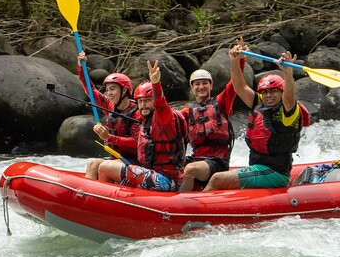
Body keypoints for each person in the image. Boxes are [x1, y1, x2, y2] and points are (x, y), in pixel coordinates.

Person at [204, 40, 309, 191]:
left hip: (275, 172)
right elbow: (240, 87)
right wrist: (235, 61)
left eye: (273, 91)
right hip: (259, 168)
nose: (268, 95)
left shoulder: (288, 112)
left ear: (282, 92)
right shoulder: (260, 103)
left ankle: (195, 212)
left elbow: (290, 99)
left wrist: (287, 72)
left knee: (217, 178)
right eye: (265, 92)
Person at [98, 60, 187, 192]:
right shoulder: (145, 121)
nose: (143, 105)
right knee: (101, 165)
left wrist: (156, 83)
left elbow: (161, 104)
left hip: (166, 180)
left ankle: (105, 206)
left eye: (147, 100)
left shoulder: (163, 119)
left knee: (106, 168)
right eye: (140, 101)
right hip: (149, 172)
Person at [76, 52, 142, 179]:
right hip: (117, 158)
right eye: (107, 89)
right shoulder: (111, 106)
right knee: (92, 164)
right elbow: (91, 90)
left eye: (113, 89)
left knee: (104, 166)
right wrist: (81, 68)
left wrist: (109, 137)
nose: (109, 93)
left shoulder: (137, 113)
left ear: (124, 90)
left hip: (136, 161)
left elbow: (136, 142)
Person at [178, 66, 238, 191]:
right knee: (173, 165)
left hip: (217, 162)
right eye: (197, 84)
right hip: (197, 159)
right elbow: (167, 119)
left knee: (190, 169)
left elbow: (235, 84)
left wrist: (238, 61)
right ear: (192, 88)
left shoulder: (221, 103)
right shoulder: (187, 112)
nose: (201, 87)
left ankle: (180, 204)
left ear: (211, 86)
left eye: (205, 83)